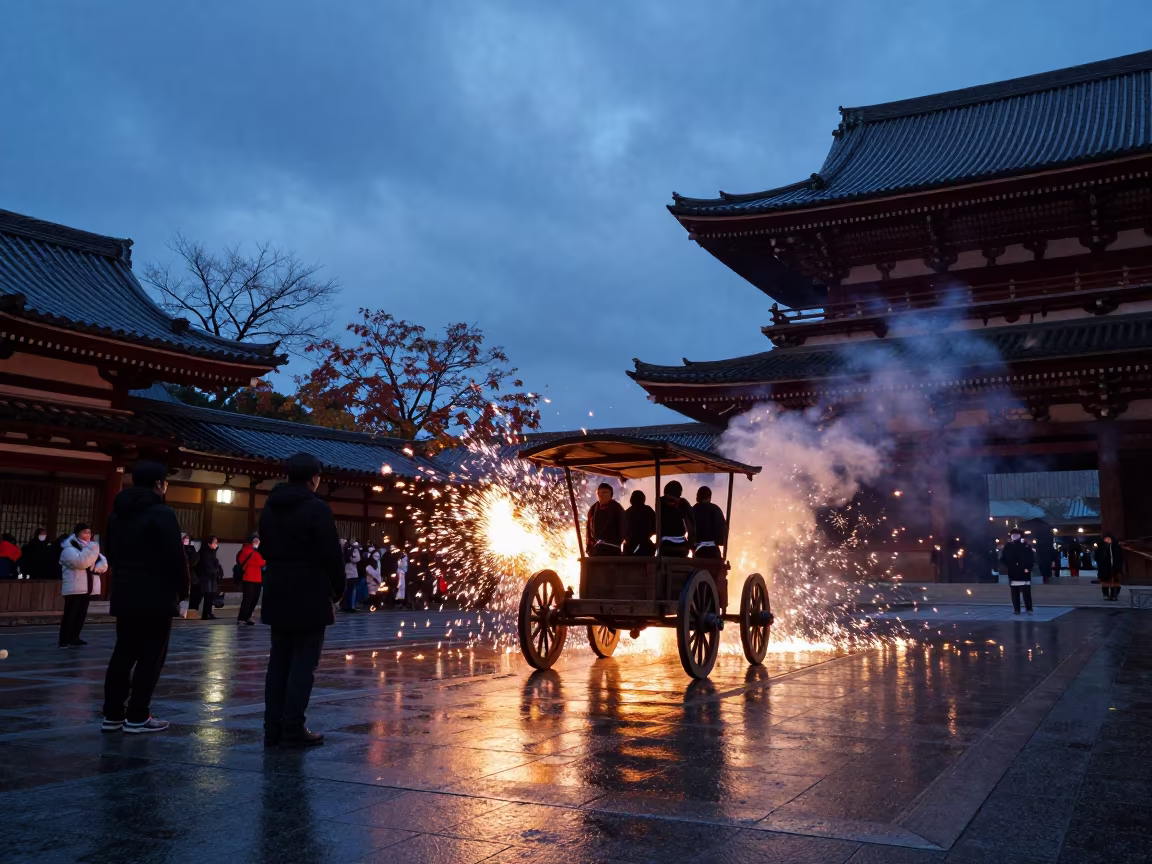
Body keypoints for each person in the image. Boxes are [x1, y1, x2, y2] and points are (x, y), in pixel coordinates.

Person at [259, 452, 344, 747]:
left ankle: (272, 727)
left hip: (277, 587)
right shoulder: (316, 508)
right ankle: (293, 725)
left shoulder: (271, 506)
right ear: (314, 477)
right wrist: (337, 588)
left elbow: (264, 544)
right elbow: (331, 553)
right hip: (309, 589)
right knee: (303, 662)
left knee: (278, 660)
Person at [102, 461, 186, 733]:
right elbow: (176, 557)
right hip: (156, 594)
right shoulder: (162, 513)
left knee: (123, 653)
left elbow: (111, 553)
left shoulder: (116, 514)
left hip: (125, 591)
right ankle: (138, 714)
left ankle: (113, 714)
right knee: (151, 655)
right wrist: (182, 592)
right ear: (160, 484)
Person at [58, 524, 108, 647]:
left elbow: (103, 563)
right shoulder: (69, 549)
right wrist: (92, 552)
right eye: (85, 532)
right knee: (71, 614)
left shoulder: (89, 548)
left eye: (89, 533)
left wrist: (97, 566)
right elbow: (81, 563)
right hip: (74, 587)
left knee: (81, 614)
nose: (88, 535)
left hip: (87, 586)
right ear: (77, 534)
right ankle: (65, 639)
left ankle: (75, 637)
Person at [585, 483, 626, 556]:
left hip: (613, 548)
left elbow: (623, 527)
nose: (600, 495)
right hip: (597, 549)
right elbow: (588, 528)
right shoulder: (593, 509)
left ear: (610, 495)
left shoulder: (617, 508)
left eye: (604, 492)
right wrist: (589, 545)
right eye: (598, 493)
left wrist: (619, 540)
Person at [1000, 529, 1035, 614]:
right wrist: (1009, 565)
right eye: (1013, 534)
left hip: (1024, 570)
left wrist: (1028, 567)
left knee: (1026, 591)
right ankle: (1016, 609)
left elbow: (1031, 558)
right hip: (1013, 571)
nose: (1014, 536)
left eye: (1016, 534)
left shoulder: (1025, 546)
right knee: (1014, 591)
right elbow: (1003, 558)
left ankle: (1029, 608)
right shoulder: (1008, 546)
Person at [658, 481, 696, 557]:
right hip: (681, 544)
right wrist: (690, 545)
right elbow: (690, 527)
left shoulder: (660, 501)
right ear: (680, 492)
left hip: (665, 544)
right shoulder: (683, 503)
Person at [236, 533, 265, 625]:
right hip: (248, 577)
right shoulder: (246, 550)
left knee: (254, 598)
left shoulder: (256, 551)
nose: (257, 543)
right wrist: (257, 551)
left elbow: (262, 562)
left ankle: (247, 617)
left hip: (257, 578)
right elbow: (260, 561)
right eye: (255, 541)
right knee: (247, 599)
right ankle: (242, 618)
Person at [692, 487, 727, 560]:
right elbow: (723, 532)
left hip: (699, 550)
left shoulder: (693, 510)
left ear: (698, 496)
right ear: (709, 497)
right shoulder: (716, 509)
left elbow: (689, 530)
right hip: (714, 551)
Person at [197, 535, 224, 620]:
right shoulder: (205, 553)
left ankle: (209, 613)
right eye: (214, 542)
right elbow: (206, 566)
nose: (216, 544)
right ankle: (206, 614)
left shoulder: (212, 553)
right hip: (207, 577)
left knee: (211, 595)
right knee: (207, 596)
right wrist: (215, 571)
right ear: (209, 544)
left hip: (212, 577)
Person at [624, 490, 656, 556]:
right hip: (646, 546)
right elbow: (656, 528)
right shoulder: (648, 510)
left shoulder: (627, 512)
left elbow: (623, 530)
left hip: (630, 547)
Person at [1096, 532, 1124, 601]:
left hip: (1114, 567)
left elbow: (1119, 557)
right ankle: (1106, 594)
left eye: (1108, 539)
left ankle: (1114, 595)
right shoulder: (1101, 547)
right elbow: (1098, 557)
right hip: (1105, 567)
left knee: (1115, 582)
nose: (1107, 540)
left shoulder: (1116, 546)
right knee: (1105, 581)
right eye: (1106, 539)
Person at [182, 534, 202, 615]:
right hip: (183, 575)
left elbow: (194, 560)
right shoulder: (179, 549)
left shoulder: (192, 550)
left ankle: (192, 610)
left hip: (191, 575)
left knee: (196, 592)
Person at [341, 541, 361, 612]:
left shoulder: (347, 550)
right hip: (350, 573)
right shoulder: (352, 550)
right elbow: (357, 559)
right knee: (350, 590)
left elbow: (357, 559)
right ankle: (350, 606)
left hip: (348, 573)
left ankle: (348, 606)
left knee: (348, 590)